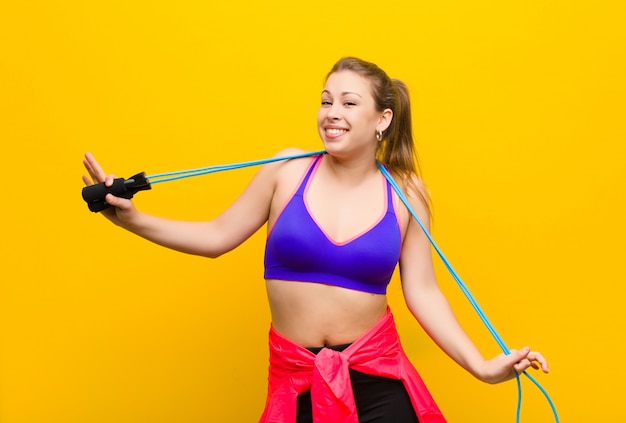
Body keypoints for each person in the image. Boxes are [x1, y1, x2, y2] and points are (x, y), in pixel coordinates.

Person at [82, 57, 549, 423]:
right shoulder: (286, 171)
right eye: (326, 101)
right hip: (297, 381)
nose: (331, 114)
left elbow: (423, 292)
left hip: (379, 380)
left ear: (382, 119)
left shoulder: (407, 193)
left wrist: (482, 367)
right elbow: (216, 236)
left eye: (348, 103)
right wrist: (132, 220)